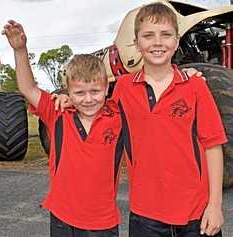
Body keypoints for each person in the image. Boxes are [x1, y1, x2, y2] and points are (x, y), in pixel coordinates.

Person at [55, 2, 228, 237]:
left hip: (195, 215)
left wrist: (215, 205)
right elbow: (95, 110)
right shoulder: (124, 88)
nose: (157, 42)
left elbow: (213, 146)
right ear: (137, 44)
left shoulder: (195, 86)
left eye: (166, 35)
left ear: (176, 41)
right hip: (146, 218)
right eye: (148, 35)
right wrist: (67, 100)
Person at [2, 20, 125, 237]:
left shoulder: (118, 116)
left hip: (103, 222)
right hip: (62, 218)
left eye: (95, 91)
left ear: (107, 87)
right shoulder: (57, 112)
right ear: (67, 91)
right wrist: (20, 50)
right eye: (79, 93)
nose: (88, 99)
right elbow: (28, 88)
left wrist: (188, 73)